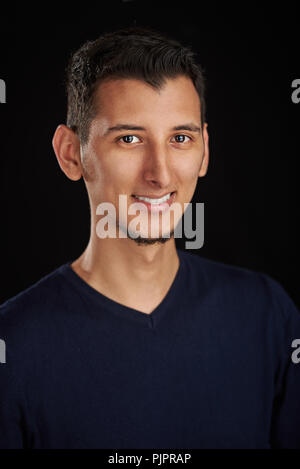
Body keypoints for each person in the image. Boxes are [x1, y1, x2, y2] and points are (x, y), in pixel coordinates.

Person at [0, 26, 300, 449]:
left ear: (205, 151)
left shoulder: (268, 316)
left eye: (180, 138)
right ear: (71, 153)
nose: (159, 173)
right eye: (129, 139)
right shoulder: (12, 347)